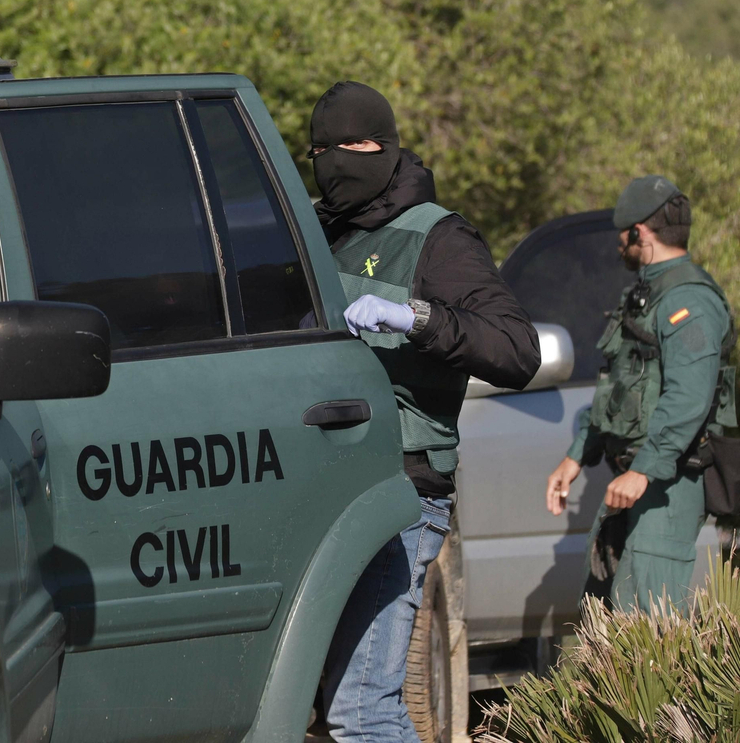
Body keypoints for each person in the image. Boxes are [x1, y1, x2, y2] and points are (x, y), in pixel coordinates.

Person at [310, 81, 540, 743]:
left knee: (363, 709)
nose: (335, 160)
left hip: (400, 495)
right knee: (326, 712)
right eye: (321, 149)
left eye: (352, 145)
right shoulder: (317, 236)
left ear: (385, 146)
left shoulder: (436, 236)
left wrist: (417, 317)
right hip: (325, 489)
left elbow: (516, 349)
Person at [544, 176, 735, 612]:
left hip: (670, 480)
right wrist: (577, 455)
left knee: (648, 623)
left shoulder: (690, 301)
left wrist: (645, 470)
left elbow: (689, 398)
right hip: (635, 478)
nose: (619, 245)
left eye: (622, 234)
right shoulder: (647, 296)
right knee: (607, 615)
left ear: (639, 233)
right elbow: (620, 391)